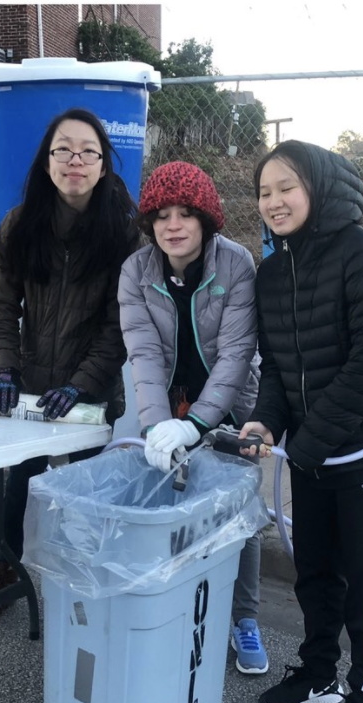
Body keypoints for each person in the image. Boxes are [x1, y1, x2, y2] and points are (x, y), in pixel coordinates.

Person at [241, 140, 363, 703]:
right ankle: (319, 674)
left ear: (317, 187)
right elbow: (278, 370)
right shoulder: (271, 272)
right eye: (264, 192)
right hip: (312, 456)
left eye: (286, 187)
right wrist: (265, 424)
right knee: (315, 574)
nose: (274, 201)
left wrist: (308, 441)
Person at [0, 107, 139, 621]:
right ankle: (7, 572)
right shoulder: (20, 225)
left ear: (103, 165)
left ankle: (83, 591)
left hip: (90, 392)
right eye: (63, 150)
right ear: (47, 162)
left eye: (88, 152)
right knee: (20, 484)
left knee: (87, 493)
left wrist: (82, 384)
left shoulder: (124, 233)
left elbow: (121, 324)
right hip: (29, 385)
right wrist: (4, 367)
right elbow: (1, 302)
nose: (75, 160)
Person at [117, 161, 268, 675]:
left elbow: (236, 354)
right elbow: (143, 354)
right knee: (171, 499)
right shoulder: (136, 271)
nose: (173, 225)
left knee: (239, 510)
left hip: (232, 406)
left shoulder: (235, 263)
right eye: (161, 215)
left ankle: (243, 617)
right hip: (169, 403)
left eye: (185, 213)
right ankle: (180, 601)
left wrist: (198, 424)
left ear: (206, 219)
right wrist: (157, 425)